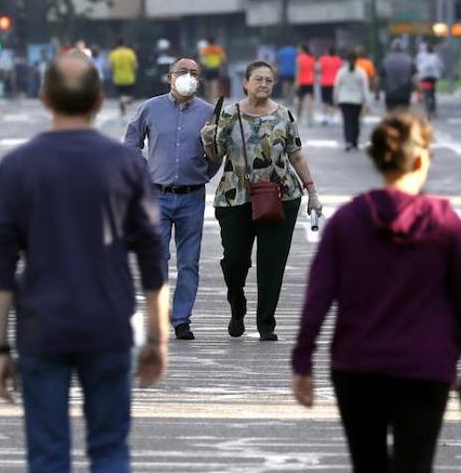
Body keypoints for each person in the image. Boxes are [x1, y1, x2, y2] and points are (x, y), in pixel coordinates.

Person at [0, 51, 168, 473]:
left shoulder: (17, 167)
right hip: (109, 325)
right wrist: (157, 336)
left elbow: (1, 265)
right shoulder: (124, 164)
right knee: (109, 446)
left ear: (44, 99)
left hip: (41, 330)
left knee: (48, 460)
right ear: (98, 101)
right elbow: (150, 255)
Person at [292, 112, 461, 473]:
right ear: (420, 159)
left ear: (377, 158)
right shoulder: (446, 222)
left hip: (355, 365)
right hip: (426, 368)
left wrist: (302, 363)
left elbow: (318, 296)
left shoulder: (349, 220)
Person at [199, 61, 325, 340]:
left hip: (280, 196)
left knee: (272, 263)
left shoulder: (284, 115)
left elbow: (297, 154)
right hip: (235, 197)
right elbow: (215, 156)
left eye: (269, 80)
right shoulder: (229, 115)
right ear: (245, 83)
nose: (264, 85)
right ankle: (237, 304)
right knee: (234, 262)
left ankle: (266, 323)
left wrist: (312, 192)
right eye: (258, 79)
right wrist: (208, 139)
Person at [124, 57, 221, 341]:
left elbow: (218, 153)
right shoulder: (150, 108)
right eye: (182, 72)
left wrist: (206, 166)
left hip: (192, 196)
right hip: (157, 194)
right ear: (169, 77)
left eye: (194, 73)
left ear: (200, 80)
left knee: (189, 261)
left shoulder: (208, 112)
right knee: (158, 258)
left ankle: (181, 319)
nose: (188, 77)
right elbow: (131, 142)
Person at [334, 49, 372, 152]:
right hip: (357, 100)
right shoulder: (361, 72)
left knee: (347, 121)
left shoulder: (341, 71)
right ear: (356, 60)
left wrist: (335, 99)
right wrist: (367, 102)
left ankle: (348, 141)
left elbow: (337, 86)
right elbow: (365, 88)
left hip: (344, 99)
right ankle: (355, 142)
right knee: (355, 121)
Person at [381, 41, 415, 112]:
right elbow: (415, 77)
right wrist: (420, 91)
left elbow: (379, 78)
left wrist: (376, 92)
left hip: (390, 94)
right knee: (403, 116)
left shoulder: (386, 61)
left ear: (392, 49)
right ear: (402, 49)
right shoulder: (409, 60)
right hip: (405, 94)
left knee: (391, 117)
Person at [414, 42, 444, 119]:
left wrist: (418, 74)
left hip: (424, 77)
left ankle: (427, 107)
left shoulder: (420, 56)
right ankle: (433, 110)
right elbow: (440, 66)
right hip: (433, 78)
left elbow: (417, 65)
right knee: (432, 92)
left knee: (426, 91)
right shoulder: (435, 56)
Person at [317, 45, 342, 125]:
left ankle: (325, 117)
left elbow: (318, 69)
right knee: (332, 101)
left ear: (328, 52)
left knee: (325, 101)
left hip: (324, 82)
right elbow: (340, 70)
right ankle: (331, 117)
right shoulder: (338, 60)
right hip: (334, 83)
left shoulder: (323, 59)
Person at [295, 44, 318, 122]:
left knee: (299, 100)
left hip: (301, 81)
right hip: (310, 81)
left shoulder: (299, 58)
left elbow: (298, 71)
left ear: (302, 50)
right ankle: (310, 118)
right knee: (309, 101)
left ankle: (299, 116)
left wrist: (297, 81)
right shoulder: (312, 58)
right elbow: (314, 70)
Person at [201, 36, 227, 102]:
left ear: (208, 42)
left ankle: (208, 99)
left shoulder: (205, 50)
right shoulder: (219, 49)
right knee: (214, 85)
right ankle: (213, 100)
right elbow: (223, 59)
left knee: (207, 85)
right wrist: (221, 65)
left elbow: (202, 60)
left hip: (207, 69)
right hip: (216, 68)